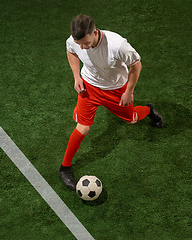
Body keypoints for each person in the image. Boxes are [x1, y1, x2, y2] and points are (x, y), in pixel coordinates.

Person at [59, 14, 164, 190]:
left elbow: (136, 65)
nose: (83, 48)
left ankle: (149, 109)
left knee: (132, 119)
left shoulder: (118, 45)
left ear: (95, 32)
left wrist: (129, 91)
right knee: (82, 127)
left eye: (86, 43)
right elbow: (71, 51)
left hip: (116, 90)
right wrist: (76, 76)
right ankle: (65, 168)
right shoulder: (74, 41)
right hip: (89, 87)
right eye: (80, 44)